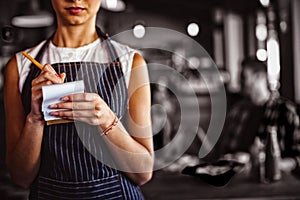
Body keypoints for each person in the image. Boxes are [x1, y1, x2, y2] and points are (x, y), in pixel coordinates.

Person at [4, 0, 153, 199]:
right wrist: (35, 119)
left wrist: (108, 121)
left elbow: (143, 173)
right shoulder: (20, 66)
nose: (75, 0)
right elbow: (20, 177)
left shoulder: (130, 62)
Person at [209, 58, 300, 176]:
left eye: (243, 77)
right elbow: (220, 151)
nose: (239, 81)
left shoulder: (286, 112)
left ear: (259, 78)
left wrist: (264, 164)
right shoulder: (237, 110)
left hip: (269, 183)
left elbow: (297, 158)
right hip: (229, 180)